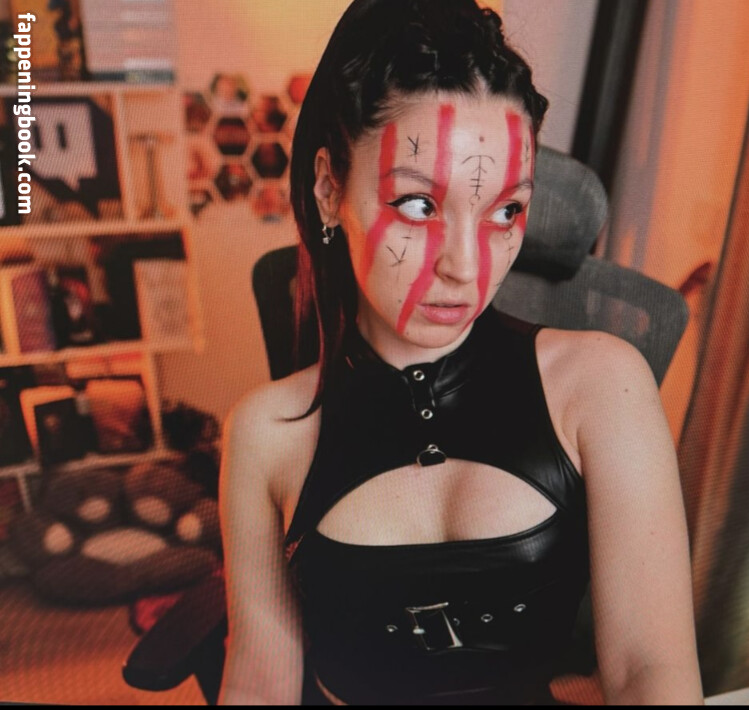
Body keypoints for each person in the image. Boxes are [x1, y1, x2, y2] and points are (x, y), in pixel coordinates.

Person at [218, 0, 704, 704]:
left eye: (505, 211)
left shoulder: (602, 383)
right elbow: (260, 685)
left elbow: (649, 670)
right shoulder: (264, 433)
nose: (466, 269)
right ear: (329, 190)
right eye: (418, 205)